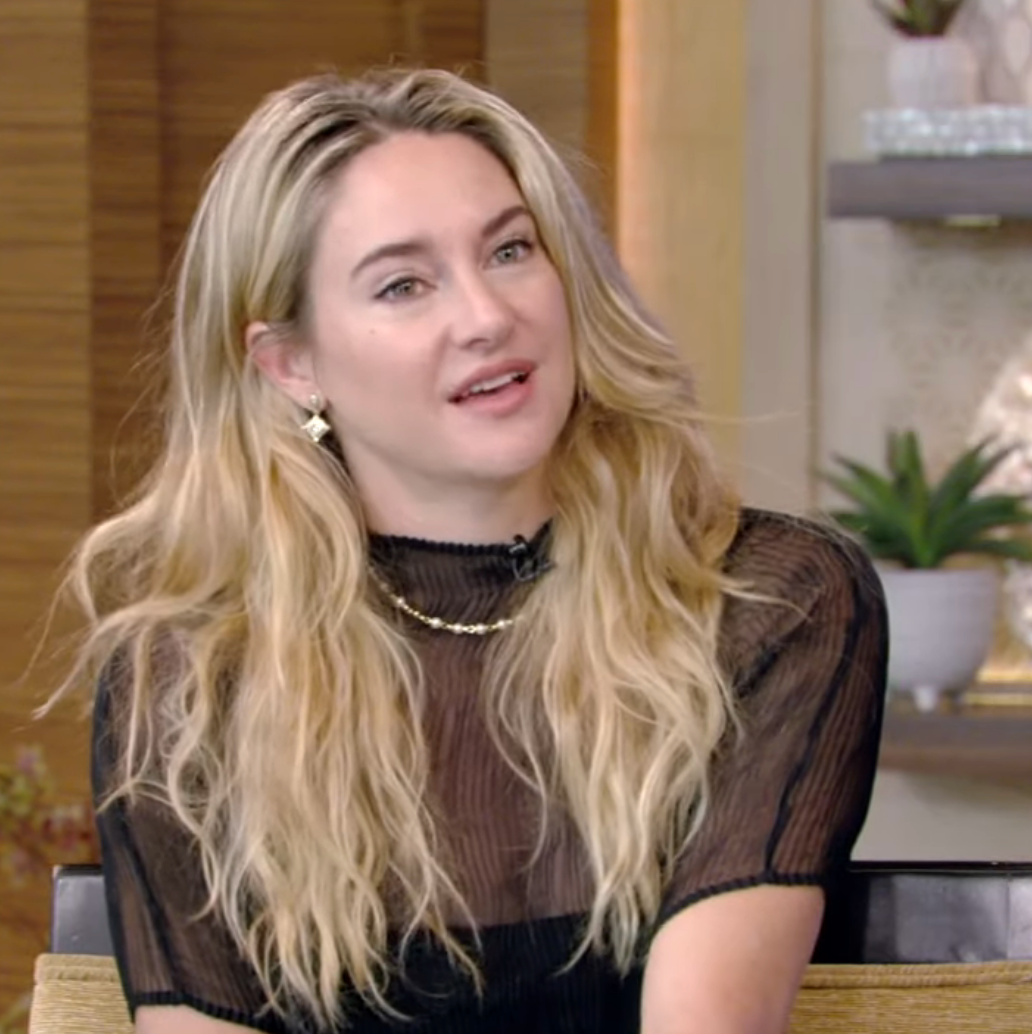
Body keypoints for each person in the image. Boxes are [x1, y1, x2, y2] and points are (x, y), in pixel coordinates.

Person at [58, 66, 888, 1034]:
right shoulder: (191, 674)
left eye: (509, 250)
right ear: (292, 363)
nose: (487, 317)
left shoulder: (763, 600)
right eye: (404, 283)